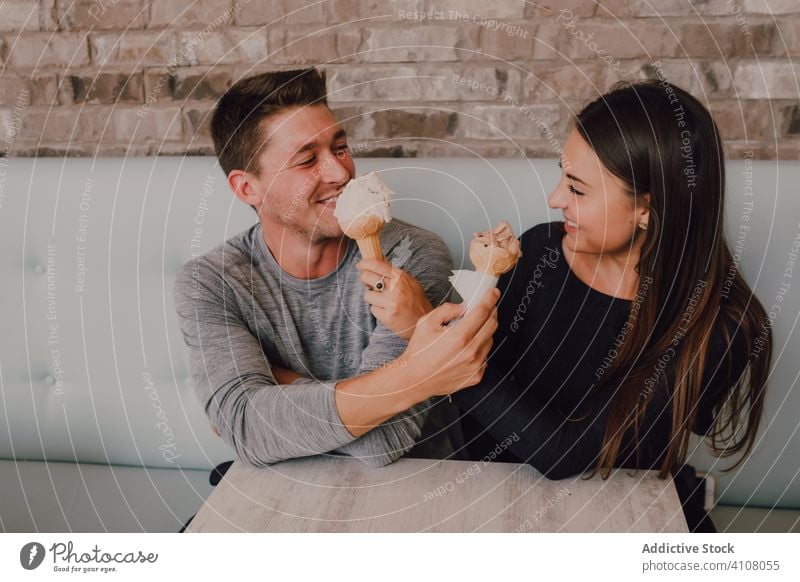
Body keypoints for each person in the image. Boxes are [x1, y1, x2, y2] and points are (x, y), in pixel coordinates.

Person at [453, 80, 772, 532]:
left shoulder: (720, 327)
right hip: (502, 506)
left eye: (578, 190)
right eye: (562, 175)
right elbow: (481, 422)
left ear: (647, 208)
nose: (555, 199)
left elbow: (569, 454)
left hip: (628, 519)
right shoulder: (539, 251)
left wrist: (443, 361)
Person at [173, 68, 498, 470]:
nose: (341, 173)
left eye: (340, 148)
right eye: (308, 159)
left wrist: (278, 384)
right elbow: (244, 427)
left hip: (414, 487)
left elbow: (381, 444)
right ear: (247, 188)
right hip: (282, 489)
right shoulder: (212, 282)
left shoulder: (411, 255)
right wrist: (414, 376)